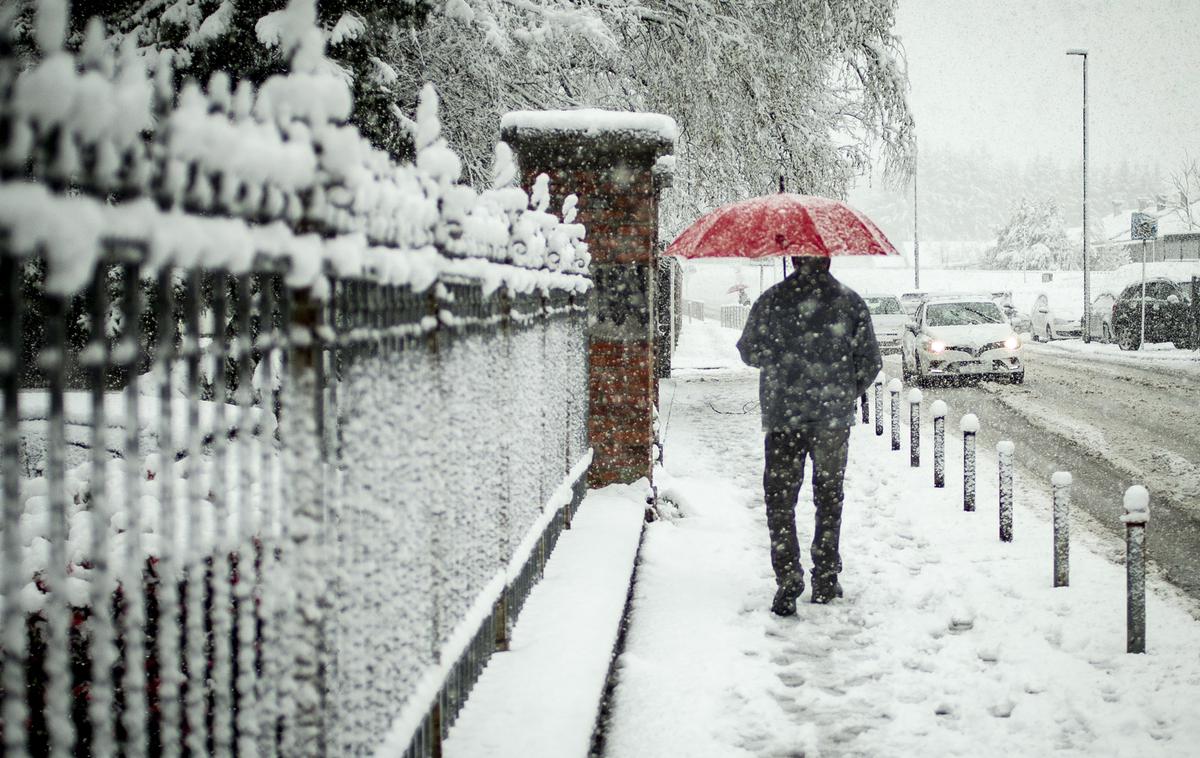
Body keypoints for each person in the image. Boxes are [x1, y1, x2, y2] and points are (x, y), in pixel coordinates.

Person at [735, 256, 881, 615]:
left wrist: (782, 359)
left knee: (780, 499)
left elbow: (748, 351)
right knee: (829, 497)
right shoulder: (849, 301)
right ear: (828, 259)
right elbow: (871, 360)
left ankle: (787, 575)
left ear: (794, 258)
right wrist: (844, 391)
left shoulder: (772, 300)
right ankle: (826, 575)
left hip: (784, 416)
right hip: (831, 419)